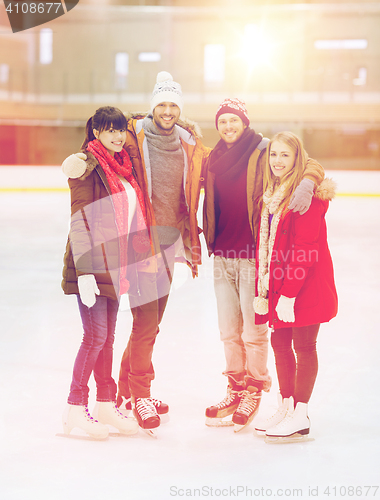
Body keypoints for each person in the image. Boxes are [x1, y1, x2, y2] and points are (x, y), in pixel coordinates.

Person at [62, 72, 209, 434]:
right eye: (162, 104)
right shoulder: (126, 143)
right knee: (126, 329)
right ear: (151, 107)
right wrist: (75, 162)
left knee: (145, 326)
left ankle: (119, 396)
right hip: (130, 252)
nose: (168, 110)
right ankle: (127, 397)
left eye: (174, 104)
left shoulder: (180, 148)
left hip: (160, 246)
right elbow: (86, 175)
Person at [202, 99, 325, 432]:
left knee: (253, 333)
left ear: (245, 122)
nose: (228, 126)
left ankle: (255, 390)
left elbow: (306, 161)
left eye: (234, 120)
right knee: (229, 332)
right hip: (222, 256)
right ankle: (235, 388)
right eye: (223, 121)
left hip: (253, 256)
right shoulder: (212, 156)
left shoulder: (264, 149)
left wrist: (307, 182)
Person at [61, 106, 149, 439]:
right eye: (108, 130)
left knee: (108, 339)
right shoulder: (87, 167)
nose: (117, 135)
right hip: (93, 266)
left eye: (120, 129)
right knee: (95, 337)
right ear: (95, 132)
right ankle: (74, 408)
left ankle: (105, 405)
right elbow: (80, 218)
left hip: (116, 264)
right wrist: (84, 272)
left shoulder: (124, 168)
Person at [253, 131, 338, 442]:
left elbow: (306, 247)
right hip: (280, 286)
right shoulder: (275, 192)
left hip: (305, 286)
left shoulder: (307, 196)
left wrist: (288, 295)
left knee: (303, 347)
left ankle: (300, 414)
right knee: (279, 345)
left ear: (297, 158)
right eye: (274, 154)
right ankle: (285, 406)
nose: (278, 161)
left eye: (285, 155)